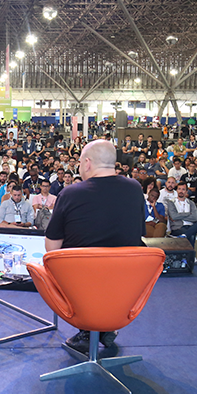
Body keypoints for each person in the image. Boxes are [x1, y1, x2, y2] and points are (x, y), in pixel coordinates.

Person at [45, 140, 146, 355]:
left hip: (81, 285)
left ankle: (89, 331)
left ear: (87, 163)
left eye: (80, 162)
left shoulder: (70, 193)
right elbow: (139, 231)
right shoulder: (135, 188)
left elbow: (52, 248)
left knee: (55, 264)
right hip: (125, 285)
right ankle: (104, 328)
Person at [168, 181, 197, 247]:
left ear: (186, 191)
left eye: (183, 189)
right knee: (192, 235)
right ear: (176, 190)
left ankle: (184, 236)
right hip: (178, 227)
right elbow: (173, 216)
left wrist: (179, 215)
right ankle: (190, 257)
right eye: (179, 189)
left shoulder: (191, 203)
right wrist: (188, 214)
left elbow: (195, 218)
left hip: (190, 226)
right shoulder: (171, 202)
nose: (181, 191)